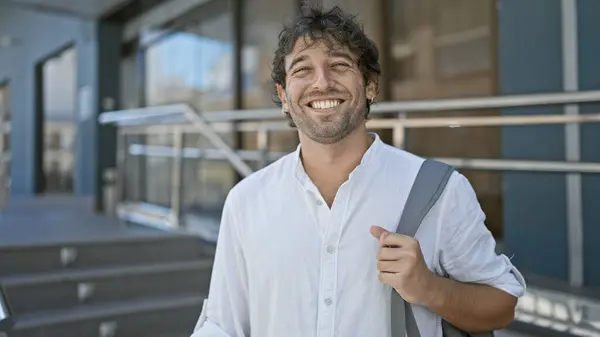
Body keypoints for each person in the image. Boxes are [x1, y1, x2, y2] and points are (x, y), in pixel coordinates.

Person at [191, 4, 526, 337]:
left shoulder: (441, 191)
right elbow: (223, 325)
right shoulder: (246, 201)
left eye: (339, 65)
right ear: (283, 94)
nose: (321, 83)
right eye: (302, 70)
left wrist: (429, 288)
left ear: (370, 85)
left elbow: (501, 305)